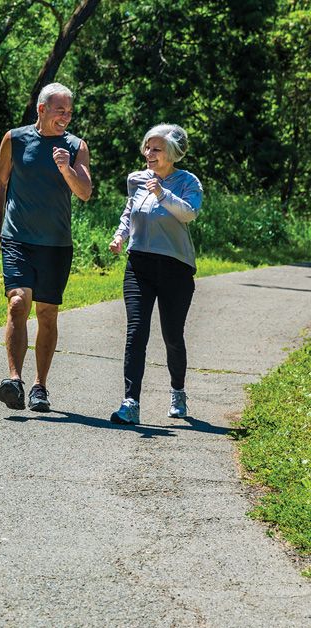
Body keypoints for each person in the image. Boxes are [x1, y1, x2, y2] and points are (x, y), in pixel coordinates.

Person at [0, 83, 92, 411]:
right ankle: (14, 380)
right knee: (18, 303)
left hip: (56, 245)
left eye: (70, 111)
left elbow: (85, 192)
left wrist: (66, 168)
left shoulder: (76, 146)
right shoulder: (15, 139)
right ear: (42, 109)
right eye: (61, 110)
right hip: (18, 239)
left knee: (47, 313)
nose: (66, 116)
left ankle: (39, 386)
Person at [108, 123, 203, 424]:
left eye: (157, 149)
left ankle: (178, 391)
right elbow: (130, 212)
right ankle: (130, 402)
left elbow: (189, 213)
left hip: (176, 268)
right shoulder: (137, 179)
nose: (149, 153)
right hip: (139, 265)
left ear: (172, 153)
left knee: (172, 335)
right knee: (136, 331)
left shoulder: (188, 181)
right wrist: (120, 236)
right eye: (147, 147)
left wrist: (162, 193)